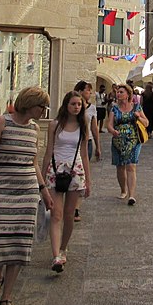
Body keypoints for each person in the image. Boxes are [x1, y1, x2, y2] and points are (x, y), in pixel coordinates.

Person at [0, 86, 53, 305]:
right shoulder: (2, 122)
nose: (43, 111)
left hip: (27, 190)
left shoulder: (36, 129)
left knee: (19, 242)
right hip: (3, 188)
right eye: (41, 106)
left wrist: (44, 191)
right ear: (29, 103)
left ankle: (6, 296)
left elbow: (34, 163)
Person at [42, 91, 90, 271]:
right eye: (73, 104)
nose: (76, 107)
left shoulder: (82, 126)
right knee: (56, 214)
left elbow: (84, 154)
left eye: (79, 104)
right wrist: (42, 175)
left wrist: (88, 180)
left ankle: (63, 248)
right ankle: (56, 256)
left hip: (75, 171)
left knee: (69, 215)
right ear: (66, 105)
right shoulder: (55, 125)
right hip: (56, 169)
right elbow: (49, 150)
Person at [106, 83, 147, 206]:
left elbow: (147, 123)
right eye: (118, 92)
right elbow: (109, 124)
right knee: (120, 167)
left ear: (128, 94)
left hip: (133, 140)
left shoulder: (137, 107)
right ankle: (123, 189)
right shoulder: (114, 108)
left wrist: (138, 117)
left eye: (121, 92)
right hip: (118, 141)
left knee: (131, 166)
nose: (118, 94)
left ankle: (131, 195)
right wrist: (112, 131)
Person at [72, 80, 100, 223]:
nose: (90, 93)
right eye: (88, 90)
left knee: (81, 173)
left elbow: (94, 128)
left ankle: (76, 207)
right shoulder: (71, 106)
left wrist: (98, 146)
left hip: (87, 143)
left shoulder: (92, 108)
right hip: (73, 143)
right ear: (81, 91)